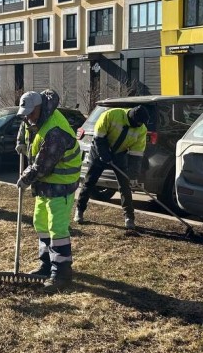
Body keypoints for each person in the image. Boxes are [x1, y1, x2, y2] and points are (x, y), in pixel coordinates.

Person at [15, 90, 82, 288]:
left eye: (30, 113)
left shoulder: (55, 131)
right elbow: (24, 127)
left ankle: (61, 273)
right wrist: (20, 142)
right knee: (40, 223)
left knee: (57, 228)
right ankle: (46, 264)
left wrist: (26, 178)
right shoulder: (34, 119)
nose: (27, 117)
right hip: (45, 185)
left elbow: (43, 165)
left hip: (61, 184)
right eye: (24, 113)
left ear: (40, 108)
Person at [72, 105, 149, 230]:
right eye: (138, 123)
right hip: (98, 151)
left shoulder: (141, 129)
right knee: (89, 182)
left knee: (125, 185)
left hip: (119, 154)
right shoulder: (111, 115)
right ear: (131, 118)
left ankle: (129, 217)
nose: (139, 125)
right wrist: (104, 155)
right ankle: (79, 210)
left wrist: (133, 175)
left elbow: (136, 155)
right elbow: (98, 138)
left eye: (142, 123)